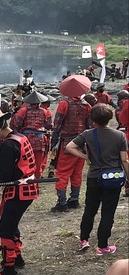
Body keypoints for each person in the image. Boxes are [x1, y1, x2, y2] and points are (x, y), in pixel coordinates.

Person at [66, 104, 128, 255]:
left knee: (90, 210)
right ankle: (102, 246)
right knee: (108, 212)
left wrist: (86, 157)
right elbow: (124, 160)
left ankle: (84, 240)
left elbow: (69, 147)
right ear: (111, 117)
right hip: (113, 178)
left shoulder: (88, 134)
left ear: (93, 119)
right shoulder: (119, 136)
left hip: (95, 176)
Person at [0, 111, 39, 275]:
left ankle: (9, 268)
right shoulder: (20, 137)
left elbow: (4, 174)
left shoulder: (8, 145)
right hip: (25, 188)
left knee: (5, 229)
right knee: (11, 224)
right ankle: (17, 259)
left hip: (18, 191)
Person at [50, 80, 92, 212]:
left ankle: (62, 202)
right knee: (77, 173)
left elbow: (57, 124)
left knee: (62, 173)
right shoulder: (87, 105)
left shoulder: (64, 103)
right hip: (81, 143)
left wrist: (53, 142)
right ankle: (74, 199)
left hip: (67, 143)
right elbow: (89, 126)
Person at [11, 91, 52, 178]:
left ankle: (27, 176)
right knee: (38, 160)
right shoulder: (45, 112)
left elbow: (17, 124)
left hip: (26, 139)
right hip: (40, 139)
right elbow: (48, 125)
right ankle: (37, 178)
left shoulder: (23, 110)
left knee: (26, 159)